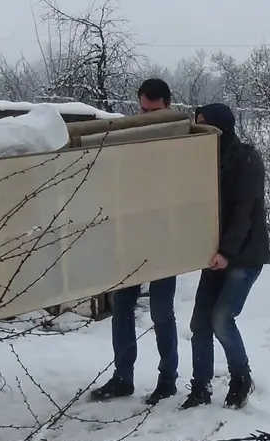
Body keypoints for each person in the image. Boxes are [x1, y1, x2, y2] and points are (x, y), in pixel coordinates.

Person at [89, 78, 180, 405]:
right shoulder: (130, 137)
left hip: (164, 240)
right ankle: (123, 378)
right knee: (123, 308)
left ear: (168, 106)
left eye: (154, 111)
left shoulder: (182, 139)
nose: (147, 116)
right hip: (130, 237)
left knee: (161, 314)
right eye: (143, 110)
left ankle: (167, 380)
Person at [181, 103, 270, 410]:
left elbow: (243, 211)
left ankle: (240, 377)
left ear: (222, 126)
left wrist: (227, 252)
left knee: (221, 319)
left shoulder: (247, 159)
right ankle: (201, 387)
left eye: (206, 124)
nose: (201, 129)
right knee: (199, 325)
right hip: (215, 254)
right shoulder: (206, 158)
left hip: (243, 255)